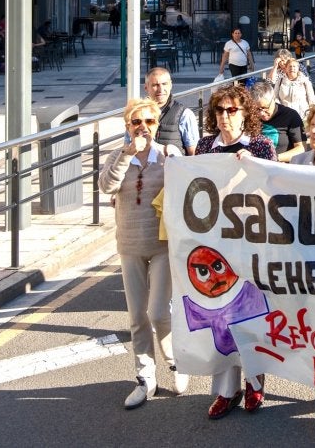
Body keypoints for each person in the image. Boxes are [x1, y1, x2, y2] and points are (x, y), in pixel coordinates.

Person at [98, 98, 187, 409]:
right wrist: (126, 153)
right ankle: (145, 377)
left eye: (149, 122)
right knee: (137, 316)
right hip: (130, 246)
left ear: (157, 124)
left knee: (159, 313)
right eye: (137, 122)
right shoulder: (118, 156)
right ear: (128, 126)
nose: (143, 128)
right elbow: (106, 187)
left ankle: (175, 363)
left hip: (162, 245)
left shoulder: (168, 155)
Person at [194, 82, 276, 418]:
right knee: (220, 319)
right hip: (215, 245)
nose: (225, 116)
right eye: (220, 110)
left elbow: (273, 193)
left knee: (249, 315)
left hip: (250, 244)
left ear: (245, 114)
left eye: (232, 110)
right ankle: (226, 391)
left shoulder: (260, 146)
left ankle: (255, 382)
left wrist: (253, 168)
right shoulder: (204, 147)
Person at [144, 66, 198, 154]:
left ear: (170, 85)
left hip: (173, 167)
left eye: (164, 84)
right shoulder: (136, 114)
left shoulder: (184, 114)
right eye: (155, 85)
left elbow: (193, 153)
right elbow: (128, 146)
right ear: (146, 87)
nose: (161, 89)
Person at [251, 80, 304, 155]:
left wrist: (275, 158)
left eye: (265, 108)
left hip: (281, 164)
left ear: (273, 99)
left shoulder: (290, 115)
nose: (261, 113)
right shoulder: (251, 115)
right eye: (257, 109)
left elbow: (301, 148)